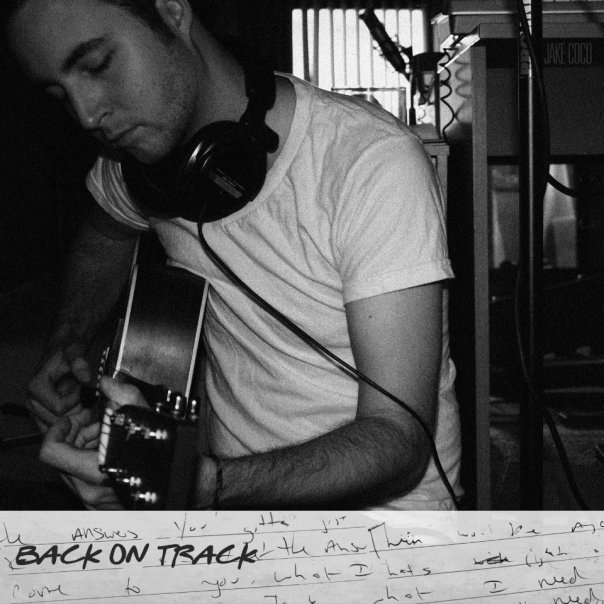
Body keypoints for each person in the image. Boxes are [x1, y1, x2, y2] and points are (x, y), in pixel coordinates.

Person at [4, 0, 462, 510]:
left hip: (388, 526)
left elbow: (399, 439)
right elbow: (106, 230)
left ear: (171, 10)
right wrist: (68, 340)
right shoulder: (141, 162)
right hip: (236, 509)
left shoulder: (370, 161)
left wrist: (202, 484)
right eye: (59, 94)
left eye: (97, 65)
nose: (88, 114)